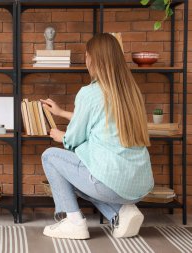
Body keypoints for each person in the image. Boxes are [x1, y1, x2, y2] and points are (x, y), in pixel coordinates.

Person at [40, 33, 154, 240]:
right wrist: (62, 112)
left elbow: (73, 139)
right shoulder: (130, 91)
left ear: (92, 59)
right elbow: (102, 119)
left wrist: (61, 136)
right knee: (82, 176)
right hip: (139, 185)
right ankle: (121, 213)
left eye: (86, 55)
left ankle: (73, 222)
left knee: (50, 157)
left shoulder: (89, 92)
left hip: (109, 183)